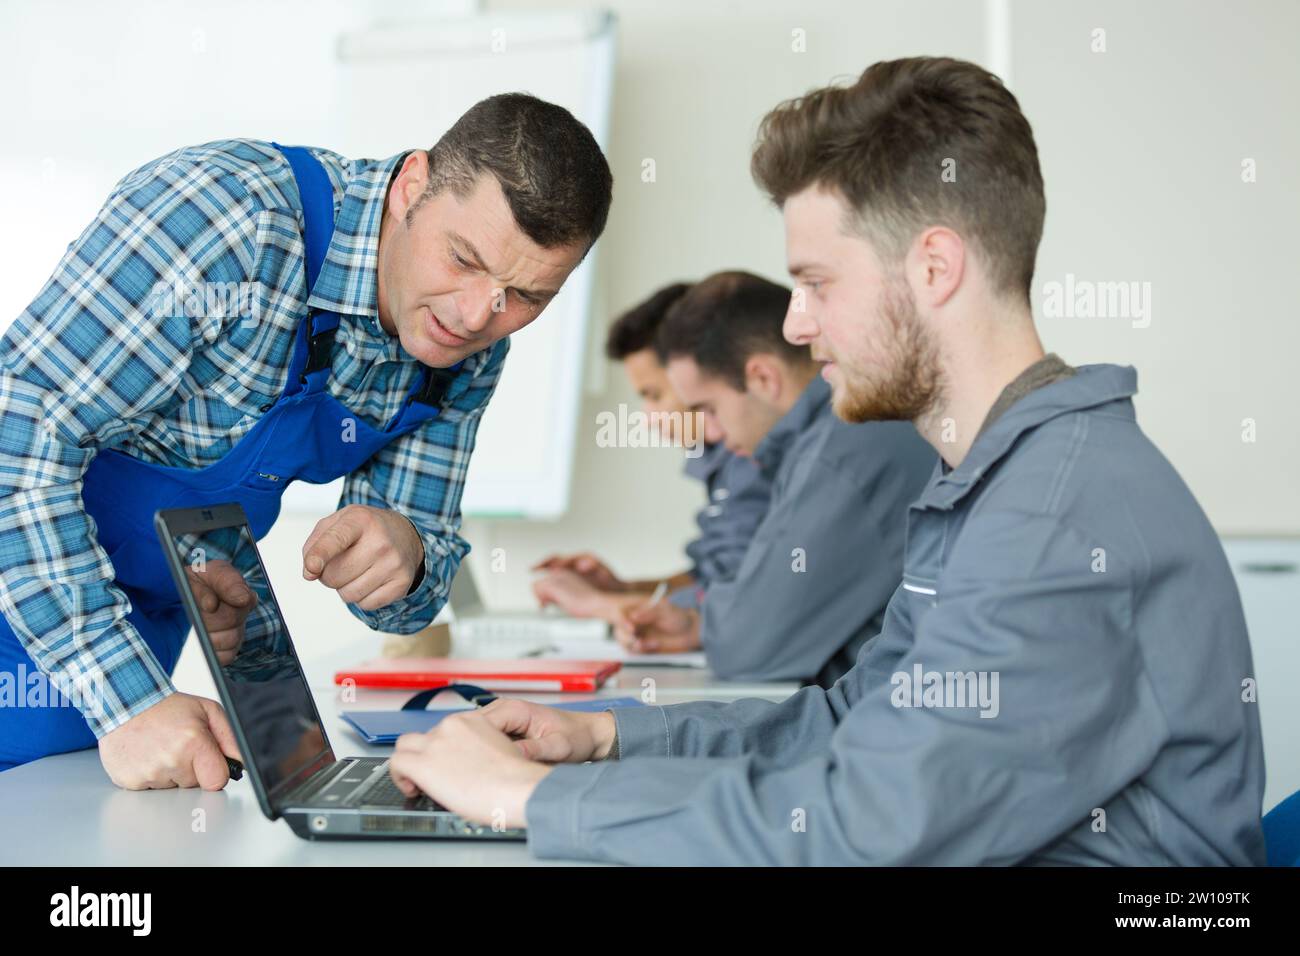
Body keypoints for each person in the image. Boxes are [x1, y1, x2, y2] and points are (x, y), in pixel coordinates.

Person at [386, 57, 1266, 866]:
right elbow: (852, 723)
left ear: (933, 269)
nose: (798, 324)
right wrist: (607, 740)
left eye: (818, 282)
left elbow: (862, 827)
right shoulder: (998, 480)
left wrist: (530, 798)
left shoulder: (1054, 519)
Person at [0, 93, 613, 787]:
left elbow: (409, 595)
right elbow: (16, 431)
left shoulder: (464, 345)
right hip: (46, 612)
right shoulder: (224, 220)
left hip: (126, 647)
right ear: (412, 185)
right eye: (463, 258)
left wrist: (406, 554)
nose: (477, 315)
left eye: (526, 296)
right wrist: (128, 703)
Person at [609, 271, 932, 684]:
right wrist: (696, 622)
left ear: (763, 378)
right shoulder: (821, 441)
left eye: (708, 408)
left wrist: (708, 620)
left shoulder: (840, 451)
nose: (711, 433)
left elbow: (750, 645)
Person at [532, 282, 773, 629]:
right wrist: (625, 589)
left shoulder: (753, 460)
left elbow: (739, 600)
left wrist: (601, 604)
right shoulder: (725, 461)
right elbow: (713, 577)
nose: (648, 418)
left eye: (654, 394)